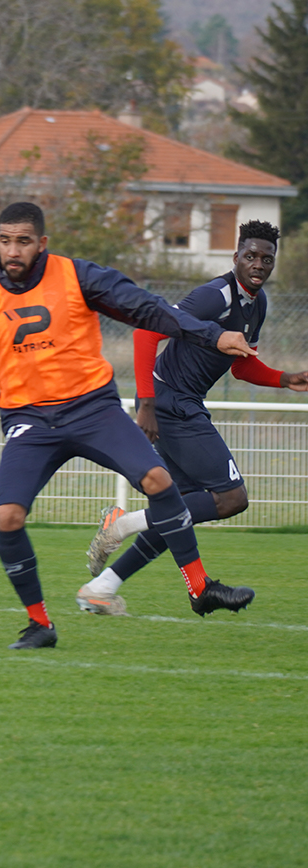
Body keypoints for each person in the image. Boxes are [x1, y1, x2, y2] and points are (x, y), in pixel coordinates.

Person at [0, 202, 258, 650]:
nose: (12, 250)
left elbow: (146, 309)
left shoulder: (77, 276)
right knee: (7, 517)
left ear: (41, 243)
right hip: (30, 421)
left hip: (92, 409)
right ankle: (40, 625)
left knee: (158, 479)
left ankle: (200, 589)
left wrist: (212, 334)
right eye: (5, 240)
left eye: (22, 241)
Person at [79, 220, 308, 612]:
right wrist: (146, 405)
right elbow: (145, 332)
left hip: (183, 403)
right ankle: (120, 524)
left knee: (179, 511)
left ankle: (101, 588)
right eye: (250, 256)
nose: (258, 264)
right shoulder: (215, 295)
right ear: (236, 257)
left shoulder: (259, 304)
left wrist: (284, 378)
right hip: (171, 404)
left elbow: (242, 366)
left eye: (266, 259)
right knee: (231, 497)